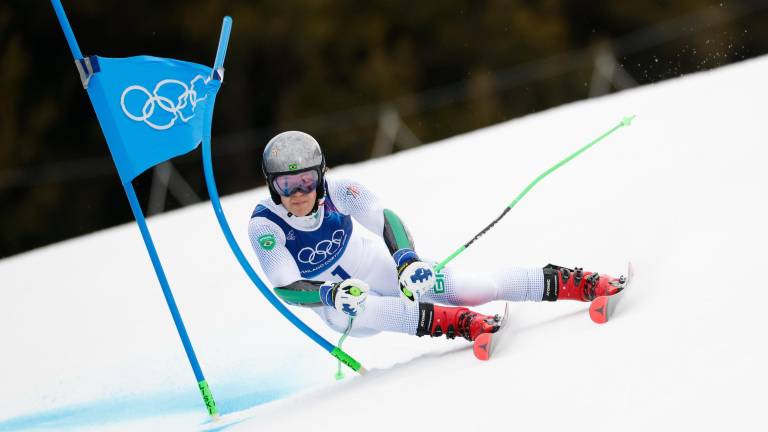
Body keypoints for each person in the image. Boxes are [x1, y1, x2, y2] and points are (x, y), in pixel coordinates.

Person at [248, 131, 623, 342]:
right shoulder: (266, 226)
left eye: (306, 181)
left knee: (474, 287)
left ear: (321, 176)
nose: (298, 193)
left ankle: (578, 282)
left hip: (373, 264)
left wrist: (407, 260)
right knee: (367, 307)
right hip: (335, 303)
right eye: (285, 184)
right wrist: (329, 293)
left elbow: (385, 220)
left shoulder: (341, 191)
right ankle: (462, 324)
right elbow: (286, 287)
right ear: (271, 185)